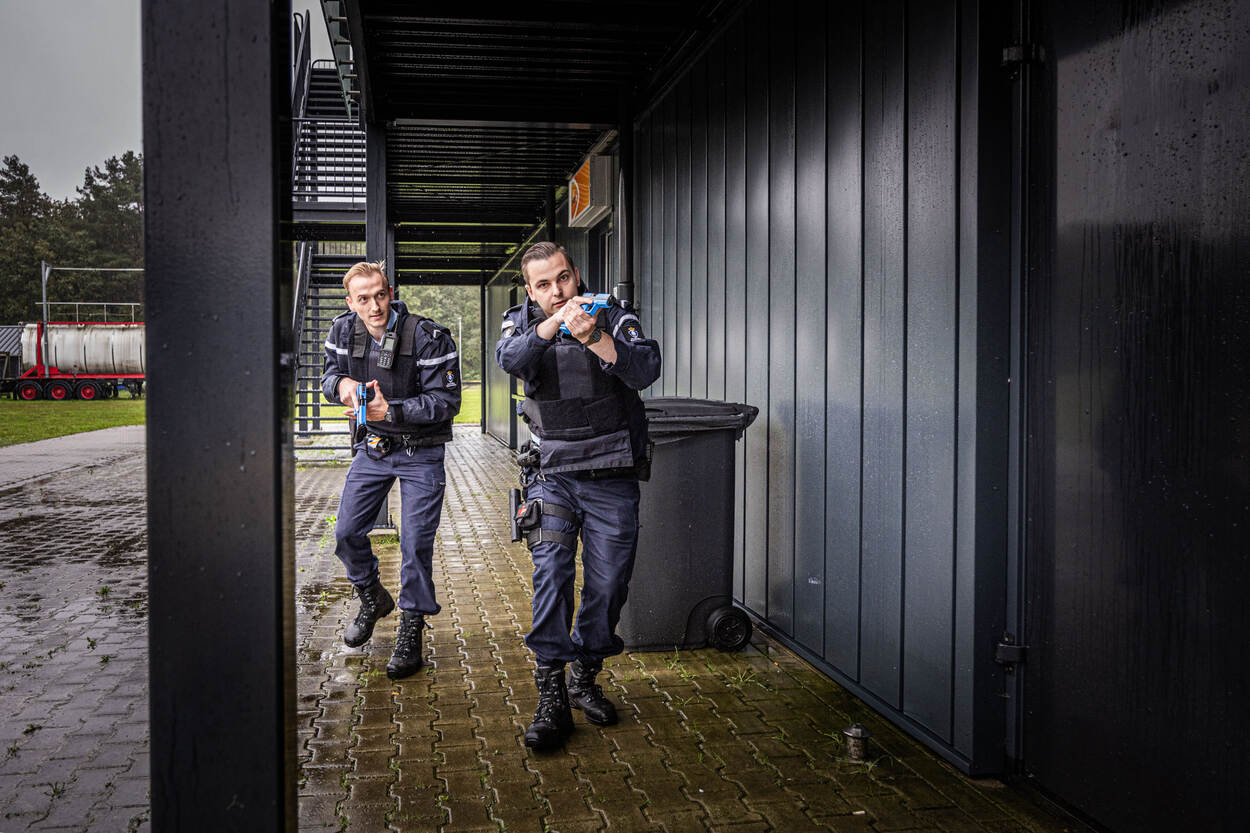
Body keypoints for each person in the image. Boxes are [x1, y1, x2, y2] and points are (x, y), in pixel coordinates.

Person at [495, 241, 662, 750]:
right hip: (554, 474)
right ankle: (550, 692)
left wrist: (596, 338)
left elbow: (644, 370)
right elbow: (511, 360)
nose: (556, 291)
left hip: (612, 473)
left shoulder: (612, 313)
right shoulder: (521, 322)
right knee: (551, 575)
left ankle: (584, 676)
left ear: (576, 274)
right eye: (543, 284)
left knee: (609, 586)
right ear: (530, 289)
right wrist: (550, 327)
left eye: (562, 279)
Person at [320, 260, 461, 679]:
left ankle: (411, 628)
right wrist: (341, 386)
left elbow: (445, 403)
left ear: (391, 290)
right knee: (346, 531)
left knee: (414, 544)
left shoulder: (427, 336)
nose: (374, 305)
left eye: (380, 294)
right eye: (363, 298)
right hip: (374, 448)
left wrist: (391, 409)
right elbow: (328, 376)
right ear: (351, 302)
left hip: (422, 450)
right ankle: (372, 596)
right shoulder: (342, 331)